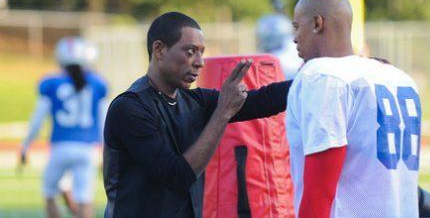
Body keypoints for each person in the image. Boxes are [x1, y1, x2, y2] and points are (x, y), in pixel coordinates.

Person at [102, 11, 291, 217]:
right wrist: (222, 113)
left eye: (202, 52)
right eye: (190, 51)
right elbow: (177, 176)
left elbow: (263, 100)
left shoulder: (194, 101)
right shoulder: (130, 108)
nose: (200, 62)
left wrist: (309, 80)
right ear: (159, 50)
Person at [286, 0, 422, 217]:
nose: (294, 38)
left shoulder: (321, 76)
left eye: (298, 27)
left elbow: (321, 189)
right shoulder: (397, 77)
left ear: (317, 23)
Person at [20, 36, 109, 218]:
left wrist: (25, 146)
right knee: (85, 198)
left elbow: (37, 120)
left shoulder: (51, 83)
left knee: (49, 193)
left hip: (60, 147)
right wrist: (105, 151)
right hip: (86, 149)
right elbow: (103, 122)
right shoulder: (97, 83)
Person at [256, 0, 303, 79]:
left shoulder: (267, 19)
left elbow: (259, 39)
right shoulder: (283, 20)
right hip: (280, 54)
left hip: (275, 54)